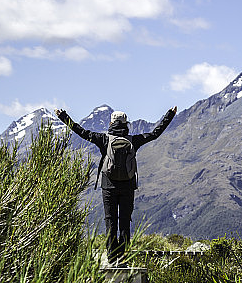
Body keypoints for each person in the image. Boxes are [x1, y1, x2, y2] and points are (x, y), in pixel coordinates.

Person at [55, 106, 177, 265]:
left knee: (110, 221)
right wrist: (170, 115)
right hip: (128, 187)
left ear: (111, 123)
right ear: (126, 123)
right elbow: (155, 133)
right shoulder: (133, 140)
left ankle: (112, 258)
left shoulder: (104, 139)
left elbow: (81, 132)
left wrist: (63, 116)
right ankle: (123, 258)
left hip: (108, 185)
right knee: (125, 222)